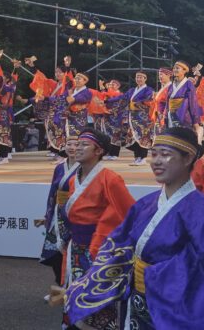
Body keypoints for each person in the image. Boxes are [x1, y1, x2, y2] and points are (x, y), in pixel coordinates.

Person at [63, 128, 204, 330]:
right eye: (153, 154)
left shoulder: (201, 209)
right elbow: (116, 250)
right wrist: (81, 289)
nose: (156, 161)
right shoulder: (145, 205)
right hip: (137, 303)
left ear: (187, 159)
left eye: (166, 155)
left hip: (175, 307)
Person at [61, 129, 135, 330]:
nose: (77, 148)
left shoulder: (110, 178)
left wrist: (104, 240)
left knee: (97, 300)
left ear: (98, 150)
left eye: (84, 144)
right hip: (75, 247)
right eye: (76, 143)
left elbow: (128, 212)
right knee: (75, 293)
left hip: (98, 250)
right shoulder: (71, 179)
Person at [38, 135, 80, 288]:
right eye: (69, 144)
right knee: (55, 253)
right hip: (58, 213)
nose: (72, 147)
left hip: (74, 214)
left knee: (72, 254)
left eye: (76, 144)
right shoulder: (59, 167)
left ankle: (71, 287)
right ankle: (59, 285)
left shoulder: (84, 168)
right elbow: (52, 192)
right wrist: (49, 213)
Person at [163, 61, 204, 136]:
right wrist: (165, 115)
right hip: (171, 116)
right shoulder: (170, 86)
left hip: (184, 116)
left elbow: (193, 103)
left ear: (185, 70)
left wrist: (195, 121)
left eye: (177, 68)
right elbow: (167, 103)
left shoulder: (189, 85)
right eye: (174, 68)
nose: (175, 70)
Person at [125, 71, 156, 166]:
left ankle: (143, 158)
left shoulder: (148, 89)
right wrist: (106, 101)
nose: (139, 79)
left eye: (141, 77)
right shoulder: (132, 90)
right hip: (132, 116)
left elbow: (148, 100)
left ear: (145, 79)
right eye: (137, 77)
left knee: (143, 136)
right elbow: (123, 97)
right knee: (133, 137)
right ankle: (137, 157)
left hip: (143, 117)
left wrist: (136, 103)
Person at [65, 72, 94, 144]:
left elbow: (84, 98)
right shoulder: (72, 91)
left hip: (80, 117)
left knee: (78, 134)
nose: (77, 80)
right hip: (69, 116)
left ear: (85, 81)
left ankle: (77, 151)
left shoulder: (87, 91)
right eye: (76, 78)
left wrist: (74, 99)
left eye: (79, 79)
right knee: (68, 134)